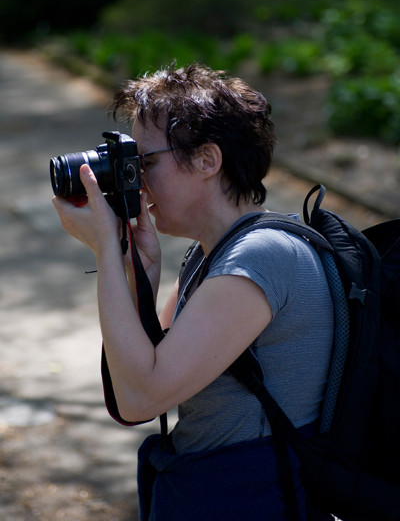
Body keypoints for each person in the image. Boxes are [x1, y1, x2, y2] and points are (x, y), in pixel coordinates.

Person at [52, 62, 334, 520]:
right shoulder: (212, 255)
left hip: (255, 500)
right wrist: (133, 270)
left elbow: (142, 397)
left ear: (207, 160)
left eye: (144, 162)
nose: (136, 180)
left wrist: (105, 250)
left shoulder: (262, 257)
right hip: (223, 493)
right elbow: (136, 377)